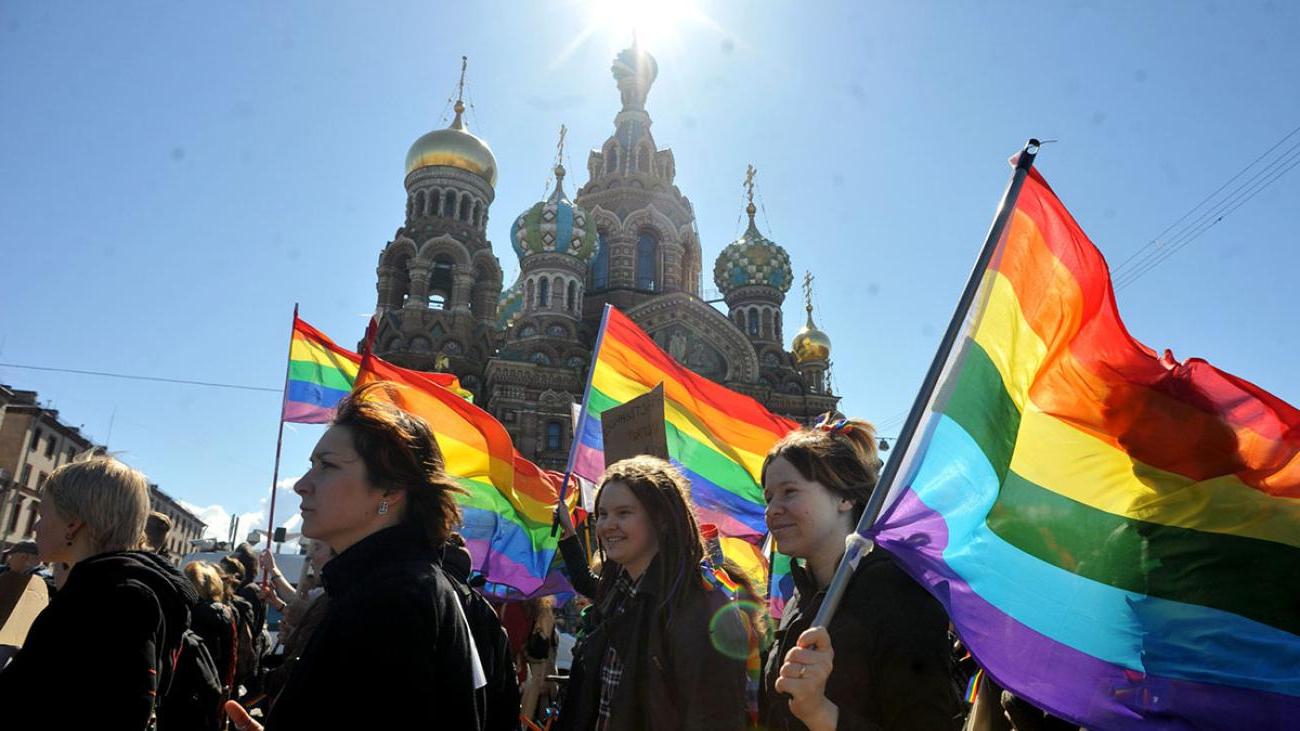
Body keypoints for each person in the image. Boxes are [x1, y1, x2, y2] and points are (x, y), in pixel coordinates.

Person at [224, 382, 481, 730]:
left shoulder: (393, 599)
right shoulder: (391, 584)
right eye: (311, 465)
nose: (302, 483)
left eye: (326, 466)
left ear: (390, 488)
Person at [760, 416, 961, 731]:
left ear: (844, 498)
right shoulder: (797, 600)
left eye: (789, 491)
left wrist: (820, 713)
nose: (772, 509)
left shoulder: (899, 596)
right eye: (769, 497)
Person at [0, 456, 199, 729]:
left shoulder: (112, 599)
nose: (36, 526)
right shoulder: (109, 589)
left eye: (43, 514)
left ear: (73, 524)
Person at [554, 455, 749, 730]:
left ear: (662, 520)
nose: (608, 525)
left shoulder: (702, 609)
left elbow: (717, 718)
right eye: (603, 514)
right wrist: (569, 535)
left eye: (624, 513)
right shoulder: (616, 596)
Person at [184, 561, 239, 702]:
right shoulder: (225, 614)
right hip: (213, 686)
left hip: (179, 688)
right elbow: (231, 656)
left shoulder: (182, 610)